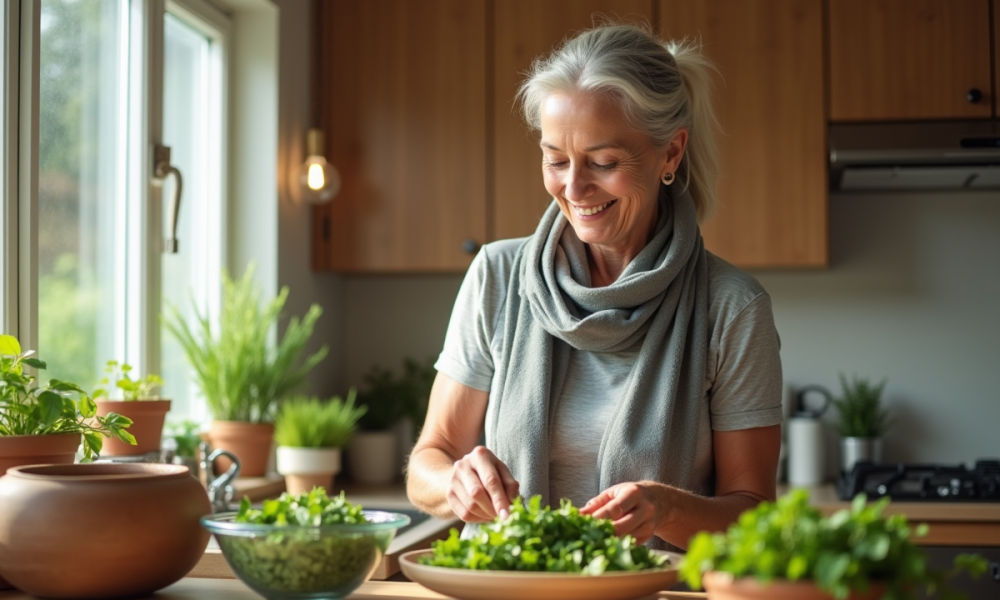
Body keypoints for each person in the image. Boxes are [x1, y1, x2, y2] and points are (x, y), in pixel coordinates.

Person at [406, 23, 782, 551]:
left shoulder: (732, 308)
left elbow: (755, 515)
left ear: (671, 154)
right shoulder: (496, 276)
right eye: (556, 159)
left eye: (604, 163)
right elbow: (430, 458)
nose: (574, 188)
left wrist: (667, 509)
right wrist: (453, 484)